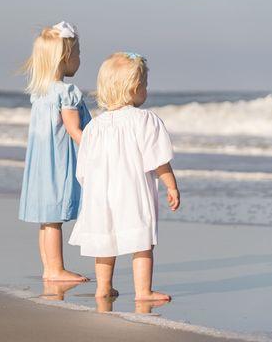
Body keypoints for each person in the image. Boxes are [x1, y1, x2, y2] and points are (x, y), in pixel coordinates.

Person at [69, 52, 180, 300]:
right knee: (141, 242)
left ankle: (103, 287)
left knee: (104, 242)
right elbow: (159, 159)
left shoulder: (94, 127)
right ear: (134, 88)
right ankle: (143, 292)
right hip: (132, 192)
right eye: (145, 85)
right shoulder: (145, 120)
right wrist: (171, 186)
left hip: (100, 195)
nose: (147, 90)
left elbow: (83, 170)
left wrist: (94, 190)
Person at [19, 21, 91, 282]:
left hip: (41, 163)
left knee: (47, 221)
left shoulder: (40, 93)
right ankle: (55, 269)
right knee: (54, 220)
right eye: (79, 53)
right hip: (58, 163)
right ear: (66, 57)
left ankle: (49, 268)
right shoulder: (67, 92)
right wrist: (96, 148)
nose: (81, 59)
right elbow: (73, 129)